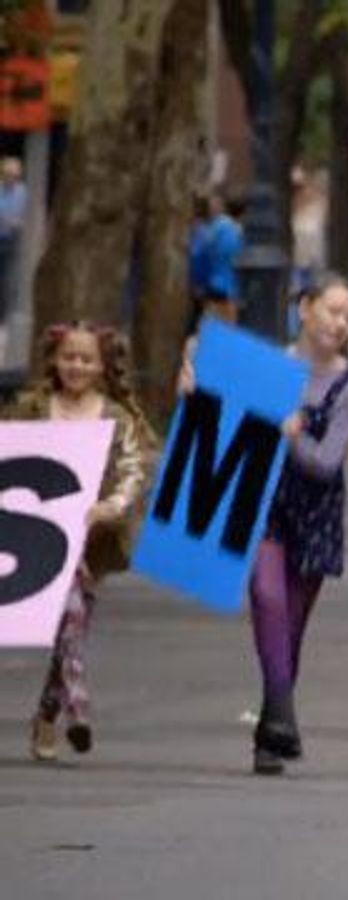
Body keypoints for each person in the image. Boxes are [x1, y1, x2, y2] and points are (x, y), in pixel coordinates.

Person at [5, 322, 151, 762]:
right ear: (54, 359)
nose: (77, 366)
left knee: (71, 624)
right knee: (71, 620)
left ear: (103, 367)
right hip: (35, 538)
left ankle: (47, 715)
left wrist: (112, 507)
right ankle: (78, 701)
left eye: (87, 359)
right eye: (69, 356)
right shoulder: (31, 409)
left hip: (91, 542)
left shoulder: (115, 418)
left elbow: (134, 468)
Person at [247, 274, 348, 775]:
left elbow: (324, 462)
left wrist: (292, 433)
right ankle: (282, 717)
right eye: (333, 310)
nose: (340, 323)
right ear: (304, 308)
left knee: (290, 627)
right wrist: (192, 389)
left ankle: (271, 730)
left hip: (314, 511)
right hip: (262, 502)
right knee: (267, 599)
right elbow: (217, 420)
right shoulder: (265, 367)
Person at [199, 192, 247, 322]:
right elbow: (236, 258)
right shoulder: (235, 233)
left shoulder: (214, 227)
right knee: (229, 328)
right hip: (228, 288)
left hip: (210, 283)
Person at [0, 156, 28, 322]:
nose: (11, 178)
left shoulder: (23, 193)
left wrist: (18, 223)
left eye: (14, 175)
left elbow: (27, 218)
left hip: (12, 240)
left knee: (8, 279)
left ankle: (4, 316)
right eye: (7, 174)